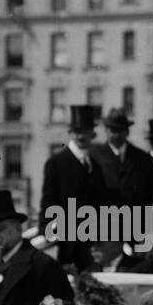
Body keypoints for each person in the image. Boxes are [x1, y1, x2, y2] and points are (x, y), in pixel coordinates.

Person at [39, 104, 105, 269]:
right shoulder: (56, 162)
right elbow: (48, 200)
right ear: (70, 133)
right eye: (77, 131)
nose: (81, 136)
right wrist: (46, 228)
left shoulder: (95, 166)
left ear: (93, 134)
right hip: (67, 243)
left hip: (92, 241)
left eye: (85, 131)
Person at [90, 108, 153, 209]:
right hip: (105, 219)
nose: (117, 135)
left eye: (120, 130)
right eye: (113, 130)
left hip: (134, 220)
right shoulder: (94, 156)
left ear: (127, 131)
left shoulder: (142, 158)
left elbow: (150, 191)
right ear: (106, 131)